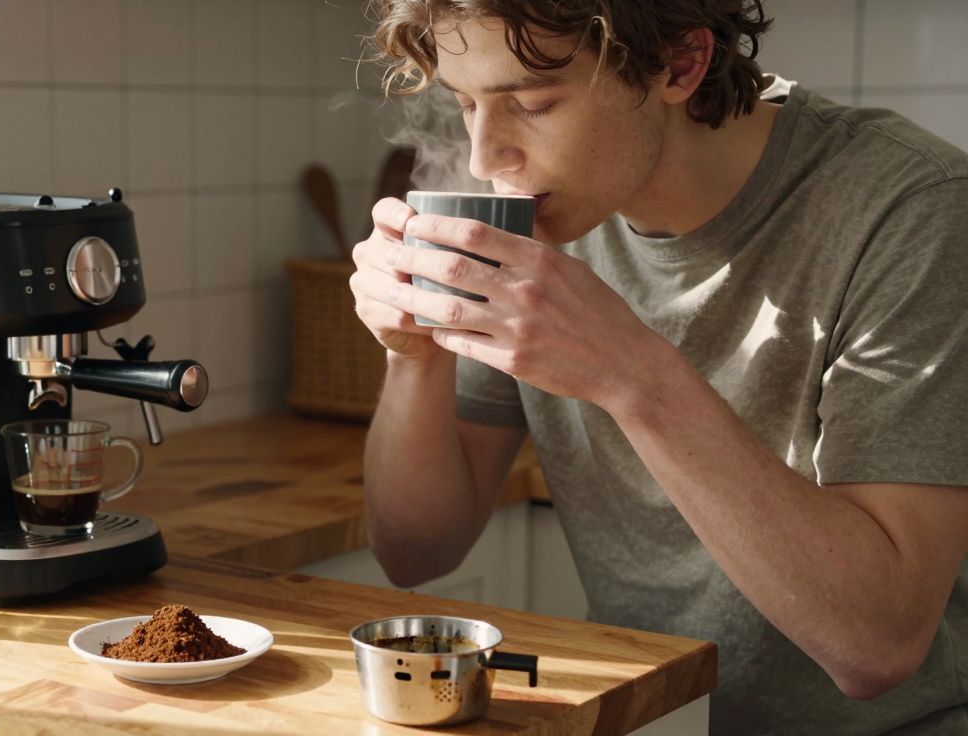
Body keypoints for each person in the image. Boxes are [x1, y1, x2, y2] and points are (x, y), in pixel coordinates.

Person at [349, 1, 968, 733]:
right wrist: (413, 354)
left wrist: (631, 375)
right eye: (465, 104)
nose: (486, 158)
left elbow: (877, 646)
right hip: (648, 718)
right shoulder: (538, 213)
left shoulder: (911, 210)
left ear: (680, 64)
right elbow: (416, 551)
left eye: (534, 103)